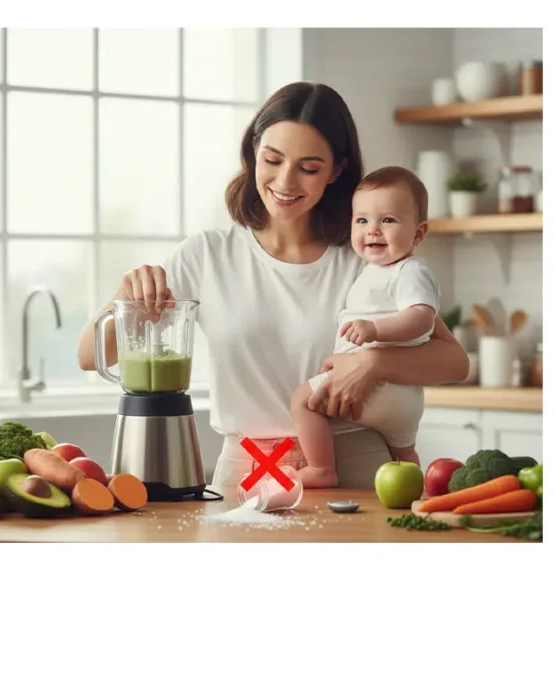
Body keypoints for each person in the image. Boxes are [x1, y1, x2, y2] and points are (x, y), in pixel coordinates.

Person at [76, 82, 469, 488]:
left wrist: (374, 363)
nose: (285, 181)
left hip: (354, 466)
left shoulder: (365, 257)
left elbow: (454, 362)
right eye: (272, 160)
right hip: (244, 472)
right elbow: (90, 355)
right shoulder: (207, 256)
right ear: (253, 152)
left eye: (308, 168)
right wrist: (128, 292)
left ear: (336, 171)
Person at [292, 166, 439, 489]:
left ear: (418, 233)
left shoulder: (409, 271)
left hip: (377, 389)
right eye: (361, 220)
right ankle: (413, 495)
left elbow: (421, 318)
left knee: (302, 400)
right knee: (403, 454)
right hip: (405, 403)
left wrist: (375, 330)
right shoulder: (372, 270)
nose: (372, 230)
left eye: (388, 220)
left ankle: (321, 468)